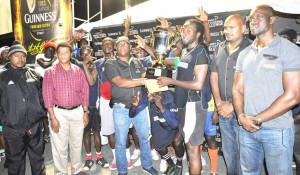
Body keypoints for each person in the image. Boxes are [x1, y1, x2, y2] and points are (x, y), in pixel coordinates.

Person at [232, 5, 300, 175]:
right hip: (246, 129)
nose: (252, 21)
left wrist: (257, 119)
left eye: (258, 17)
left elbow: (293, 95)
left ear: (272, 20)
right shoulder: (245, 53)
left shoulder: (289, 49)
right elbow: (237, 89)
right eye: (250, 18)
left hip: (277, 130)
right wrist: (241, 117)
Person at [157, 19, 209, 175]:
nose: (184, 33)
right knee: (187, 144)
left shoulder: (201, 52)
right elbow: (178, 55)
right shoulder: (186, 51)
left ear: (198, 34)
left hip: (194, 104)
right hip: (183, 104)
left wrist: (171, 81)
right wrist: (169, 29)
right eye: (183, 30)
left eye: (189, 30)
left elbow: (199, 84)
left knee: (193, 149)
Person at [105, 36, 158, 175]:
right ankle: (122, 171)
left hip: (139, 107)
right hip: (121, 107)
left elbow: (156, 58)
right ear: (116, 48)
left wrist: (146, 47)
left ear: (130, 47)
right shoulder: (111, 63)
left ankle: (147, 165)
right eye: (119, 44)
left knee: (144, 138)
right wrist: (143, 81)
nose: (122, 46)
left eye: (125, 44)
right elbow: (120, 82)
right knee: (121, 142)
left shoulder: (137, 61)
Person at [210, 14, 252, 175]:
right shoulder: (219, 48)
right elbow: (214, 76)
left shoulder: (252, 48)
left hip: (244, 111)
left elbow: (255, 82)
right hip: (223, 110)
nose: (227, 31)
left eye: (232, 27)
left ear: (243, 28)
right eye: (225, 27)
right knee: (229, 152)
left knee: (245, 154)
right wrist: (219, 103)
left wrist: (233, 106)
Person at [42, 42, 89, 175]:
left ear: (71, 54)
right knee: (59, 146)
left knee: (76, 144)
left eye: (66, 52)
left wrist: (85, 112)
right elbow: (47, 96)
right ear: (57, 55)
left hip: (77, 112)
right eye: (60, 52)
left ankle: (77, 169)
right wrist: (52, 117)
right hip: (58, 113)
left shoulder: (78, 71)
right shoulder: (50, 72)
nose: (63, 55)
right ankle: (60, 172)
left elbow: (85, 92)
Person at [0, 40, 46, 174]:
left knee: (38, 160)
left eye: (23, 56)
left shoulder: (34, 74)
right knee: (15, 164)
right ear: (9, 57)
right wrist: (6, 120)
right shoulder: (2, 77)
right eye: (17, 55)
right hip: (13, 129)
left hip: (35, 126)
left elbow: (42, 96)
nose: (21, 58)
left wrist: (39, 112)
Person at [98, 37, 133, 171]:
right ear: (101, 47)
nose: (107, 45)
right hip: (106, 101)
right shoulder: (97, 63)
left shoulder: (121, 61)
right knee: (110, 131)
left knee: (123, 130)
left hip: (121, 99)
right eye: (104, 43)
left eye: (109, 43)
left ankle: (127, 157)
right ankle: (116, 158)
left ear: (114, 46)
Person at [75, 45, 109, 171]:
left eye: (89, 53)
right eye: (84, 54)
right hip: (82, 107)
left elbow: (93, 83)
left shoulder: (94, 67)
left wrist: (89, 65)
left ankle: (99, 157)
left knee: (96, 132)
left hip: (94, 106)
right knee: (86, 134)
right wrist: (84, 64)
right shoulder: (78, 67)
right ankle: (88, 159)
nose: (87, 56)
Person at [277, 27, 300, 175]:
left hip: (296, 117)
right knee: (280, 155)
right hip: (279, 115)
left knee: (298, 152)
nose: (282, 41)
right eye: (280, 38)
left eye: (285, 38)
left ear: (294, 40)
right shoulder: (277, 58)